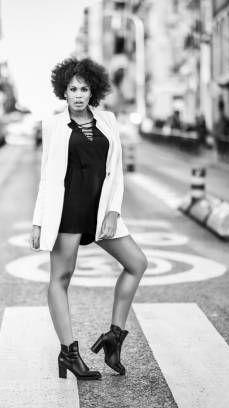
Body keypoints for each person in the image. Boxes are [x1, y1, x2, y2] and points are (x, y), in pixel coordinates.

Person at [30, 58, 148, 380]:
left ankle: (114, 337)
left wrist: (113, 211)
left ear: (92, 91)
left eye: (84, 89)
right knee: (61, 278)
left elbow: (117, 171)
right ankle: (69, 352)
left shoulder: (107, 120)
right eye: (72, 89)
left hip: (100, 211)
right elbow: (46, 178)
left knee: (137, 263)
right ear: (63, 92)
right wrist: (39, 222)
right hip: (68, 210)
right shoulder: (54, 126)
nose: (78, 95)